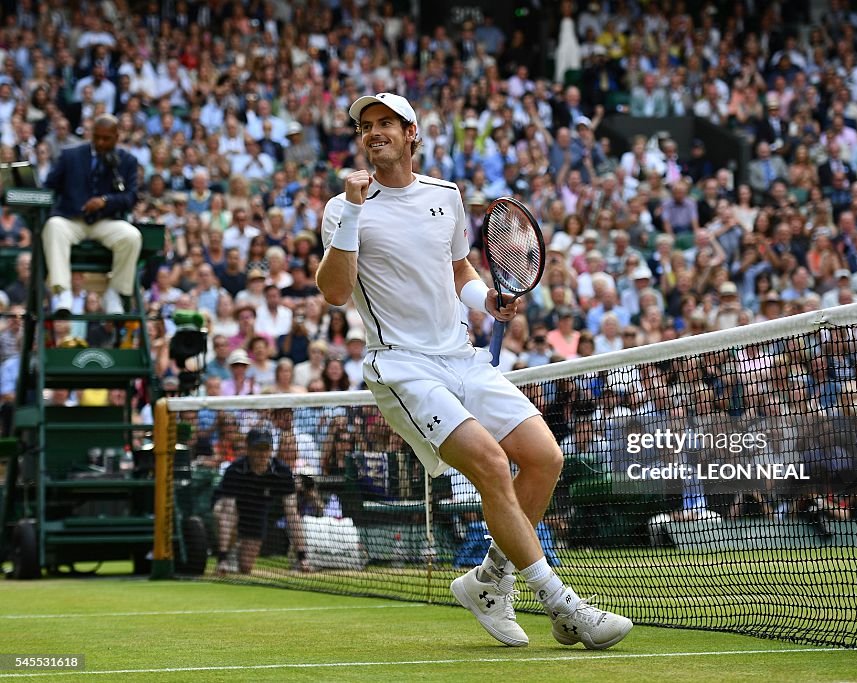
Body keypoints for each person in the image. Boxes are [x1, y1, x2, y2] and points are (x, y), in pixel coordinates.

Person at [315, 92, 632, 650]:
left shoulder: (446, 196)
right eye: (366, 126)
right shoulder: (344, 209)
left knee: (544, 459)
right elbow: (335, 292)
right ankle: (564, 605)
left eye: (386, 122)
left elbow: (458, 266)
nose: (374, 132)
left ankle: (490, 580)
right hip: (401, 366)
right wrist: (356, 210)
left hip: (461, 356)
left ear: (412, 133)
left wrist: (486, 299)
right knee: (489, 463)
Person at [42, 113, 142, 316]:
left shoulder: (127, 160)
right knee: (53, 226)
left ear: (117, 136)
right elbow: (48, 187)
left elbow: (131, 197)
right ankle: (63, 292)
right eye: (96, 137)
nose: (100, 142)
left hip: (105, 222)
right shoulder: (71, 155)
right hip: (73, 220)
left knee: (132, 237)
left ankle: (114, 292)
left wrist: (106, 201)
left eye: (106, 138)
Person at [212, 427, 311, 574]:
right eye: (257, 449)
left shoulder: (282, 472)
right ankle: (226, 555)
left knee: (245, 567)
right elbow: (227, 511)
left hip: (257, 513)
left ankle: (239, 550)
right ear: (249, 449)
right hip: (232, 509)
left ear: (271, 450)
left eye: (266, 449)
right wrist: (222, 558)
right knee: (223, 511)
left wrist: (302, 556)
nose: (262, 454)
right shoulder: (235, 471)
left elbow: (292, 514)